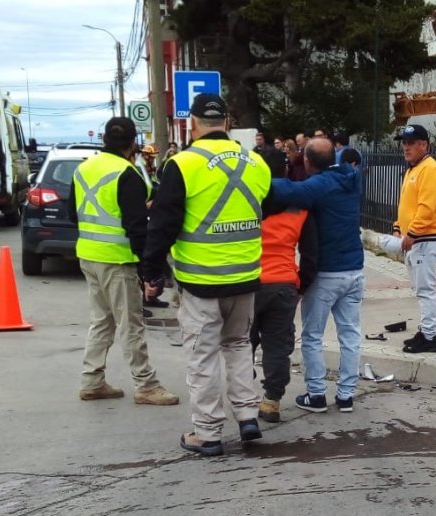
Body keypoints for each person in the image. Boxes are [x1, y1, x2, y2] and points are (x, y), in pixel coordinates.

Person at [142, 94, 271, 457]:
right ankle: (247, 416)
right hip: (245, 276)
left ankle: (208, 432)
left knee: (203, 356)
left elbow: (163, 224)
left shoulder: (182, 164)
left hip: (201, 281)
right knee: (239, 345)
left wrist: (151, 272)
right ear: (226, 123)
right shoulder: (256, 162)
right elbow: (267, 206)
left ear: (193, 124)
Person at [66, 116, 180, 409]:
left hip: (88, 255)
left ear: (104, 139)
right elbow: (137, 227)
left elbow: (71, 213)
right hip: (117, 260)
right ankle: (146, 386)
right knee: (131, 324)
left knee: (102, 321)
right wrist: (148, 269)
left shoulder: (84, 168)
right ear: (132, 144)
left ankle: (92, 381)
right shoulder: (127, 174)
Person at [268, 138, 364, 414]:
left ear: (307, 162)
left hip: (327, 273)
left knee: (312, 335)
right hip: (355, 270)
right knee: (350, 335)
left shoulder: (319, 186)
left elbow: (284, 190)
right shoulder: (352, 178)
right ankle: (346, 396)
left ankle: (317, 394)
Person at [252, 159, 321, 423]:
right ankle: (271, 401)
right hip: (283, 285)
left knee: (241, 342)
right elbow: (311, 256)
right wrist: (300, 286)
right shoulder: (300, 209)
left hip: (248, 282)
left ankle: (243, 397)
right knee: (277, 346)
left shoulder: (245, 202)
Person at [392, 124, 436, 354]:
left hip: (425, 240)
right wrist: (398, 226)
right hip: (416, 239)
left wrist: (412, 233)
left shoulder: (430, 169)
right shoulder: (413, 169)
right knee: (420, 289)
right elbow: (407, 203)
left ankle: (430, 337)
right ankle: (425, 331)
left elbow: (426, 208)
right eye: (404, 143)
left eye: (411, 143)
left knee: (425, 290)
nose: (406, 147)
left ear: (424, 145)